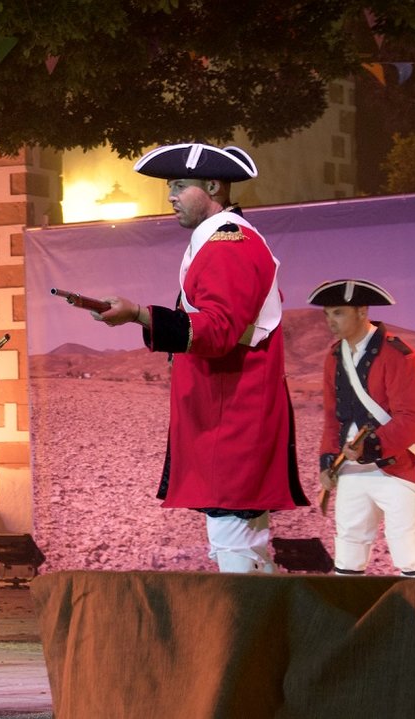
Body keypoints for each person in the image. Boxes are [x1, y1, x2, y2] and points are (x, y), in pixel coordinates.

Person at [94, 143, 307, 573]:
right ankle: (261, 640)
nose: (170, 195)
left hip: (231, 418)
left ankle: (245, 641)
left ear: (213, 186)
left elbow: (217, 331)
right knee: (246, 547)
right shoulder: (223, 240)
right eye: (170, 186)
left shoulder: (229, 243)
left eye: (179, 185)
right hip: (228, 414)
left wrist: (139, 313)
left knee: (235, 549)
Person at [309, 279, 415, 578]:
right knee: (348, 554)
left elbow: (412, 419)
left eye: (338, 313)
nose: (330, 322)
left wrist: (372, 445)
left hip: (396, 468)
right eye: (327, 315)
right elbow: (332, 418)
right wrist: (328, 462)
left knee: (408, 556)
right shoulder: (335, 357)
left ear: (362, 311)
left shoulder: (399, 356)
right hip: (351, 470)